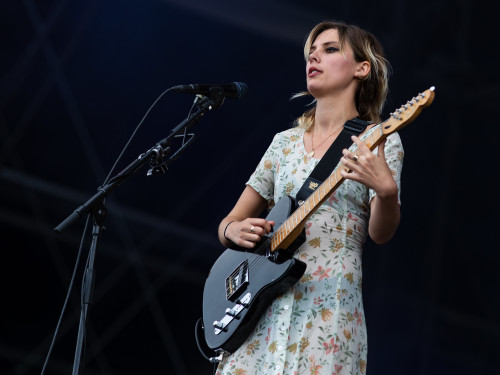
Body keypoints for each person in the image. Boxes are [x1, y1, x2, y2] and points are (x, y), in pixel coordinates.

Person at [215, 20, 403, 375]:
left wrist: (387, 191)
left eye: (330, 50)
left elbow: (381, 233)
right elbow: (229, 222)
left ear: (362, 68)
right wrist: (234, 232)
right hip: (260, 308)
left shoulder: (380, 140)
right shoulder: (282, 143)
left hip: (328, 307)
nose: (314, 57)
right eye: (311, 52)